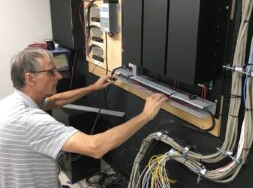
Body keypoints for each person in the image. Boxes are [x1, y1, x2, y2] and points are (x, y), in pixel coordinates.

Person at [0, 47, 167, 188]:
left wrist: (93, 87)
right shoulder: (30, 121)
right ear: (30, 78)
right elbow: (96, 147)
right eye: (51, 72)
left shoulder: (12, 103)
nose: (58, 76)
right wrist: (145, 116)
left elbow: (56, 100)